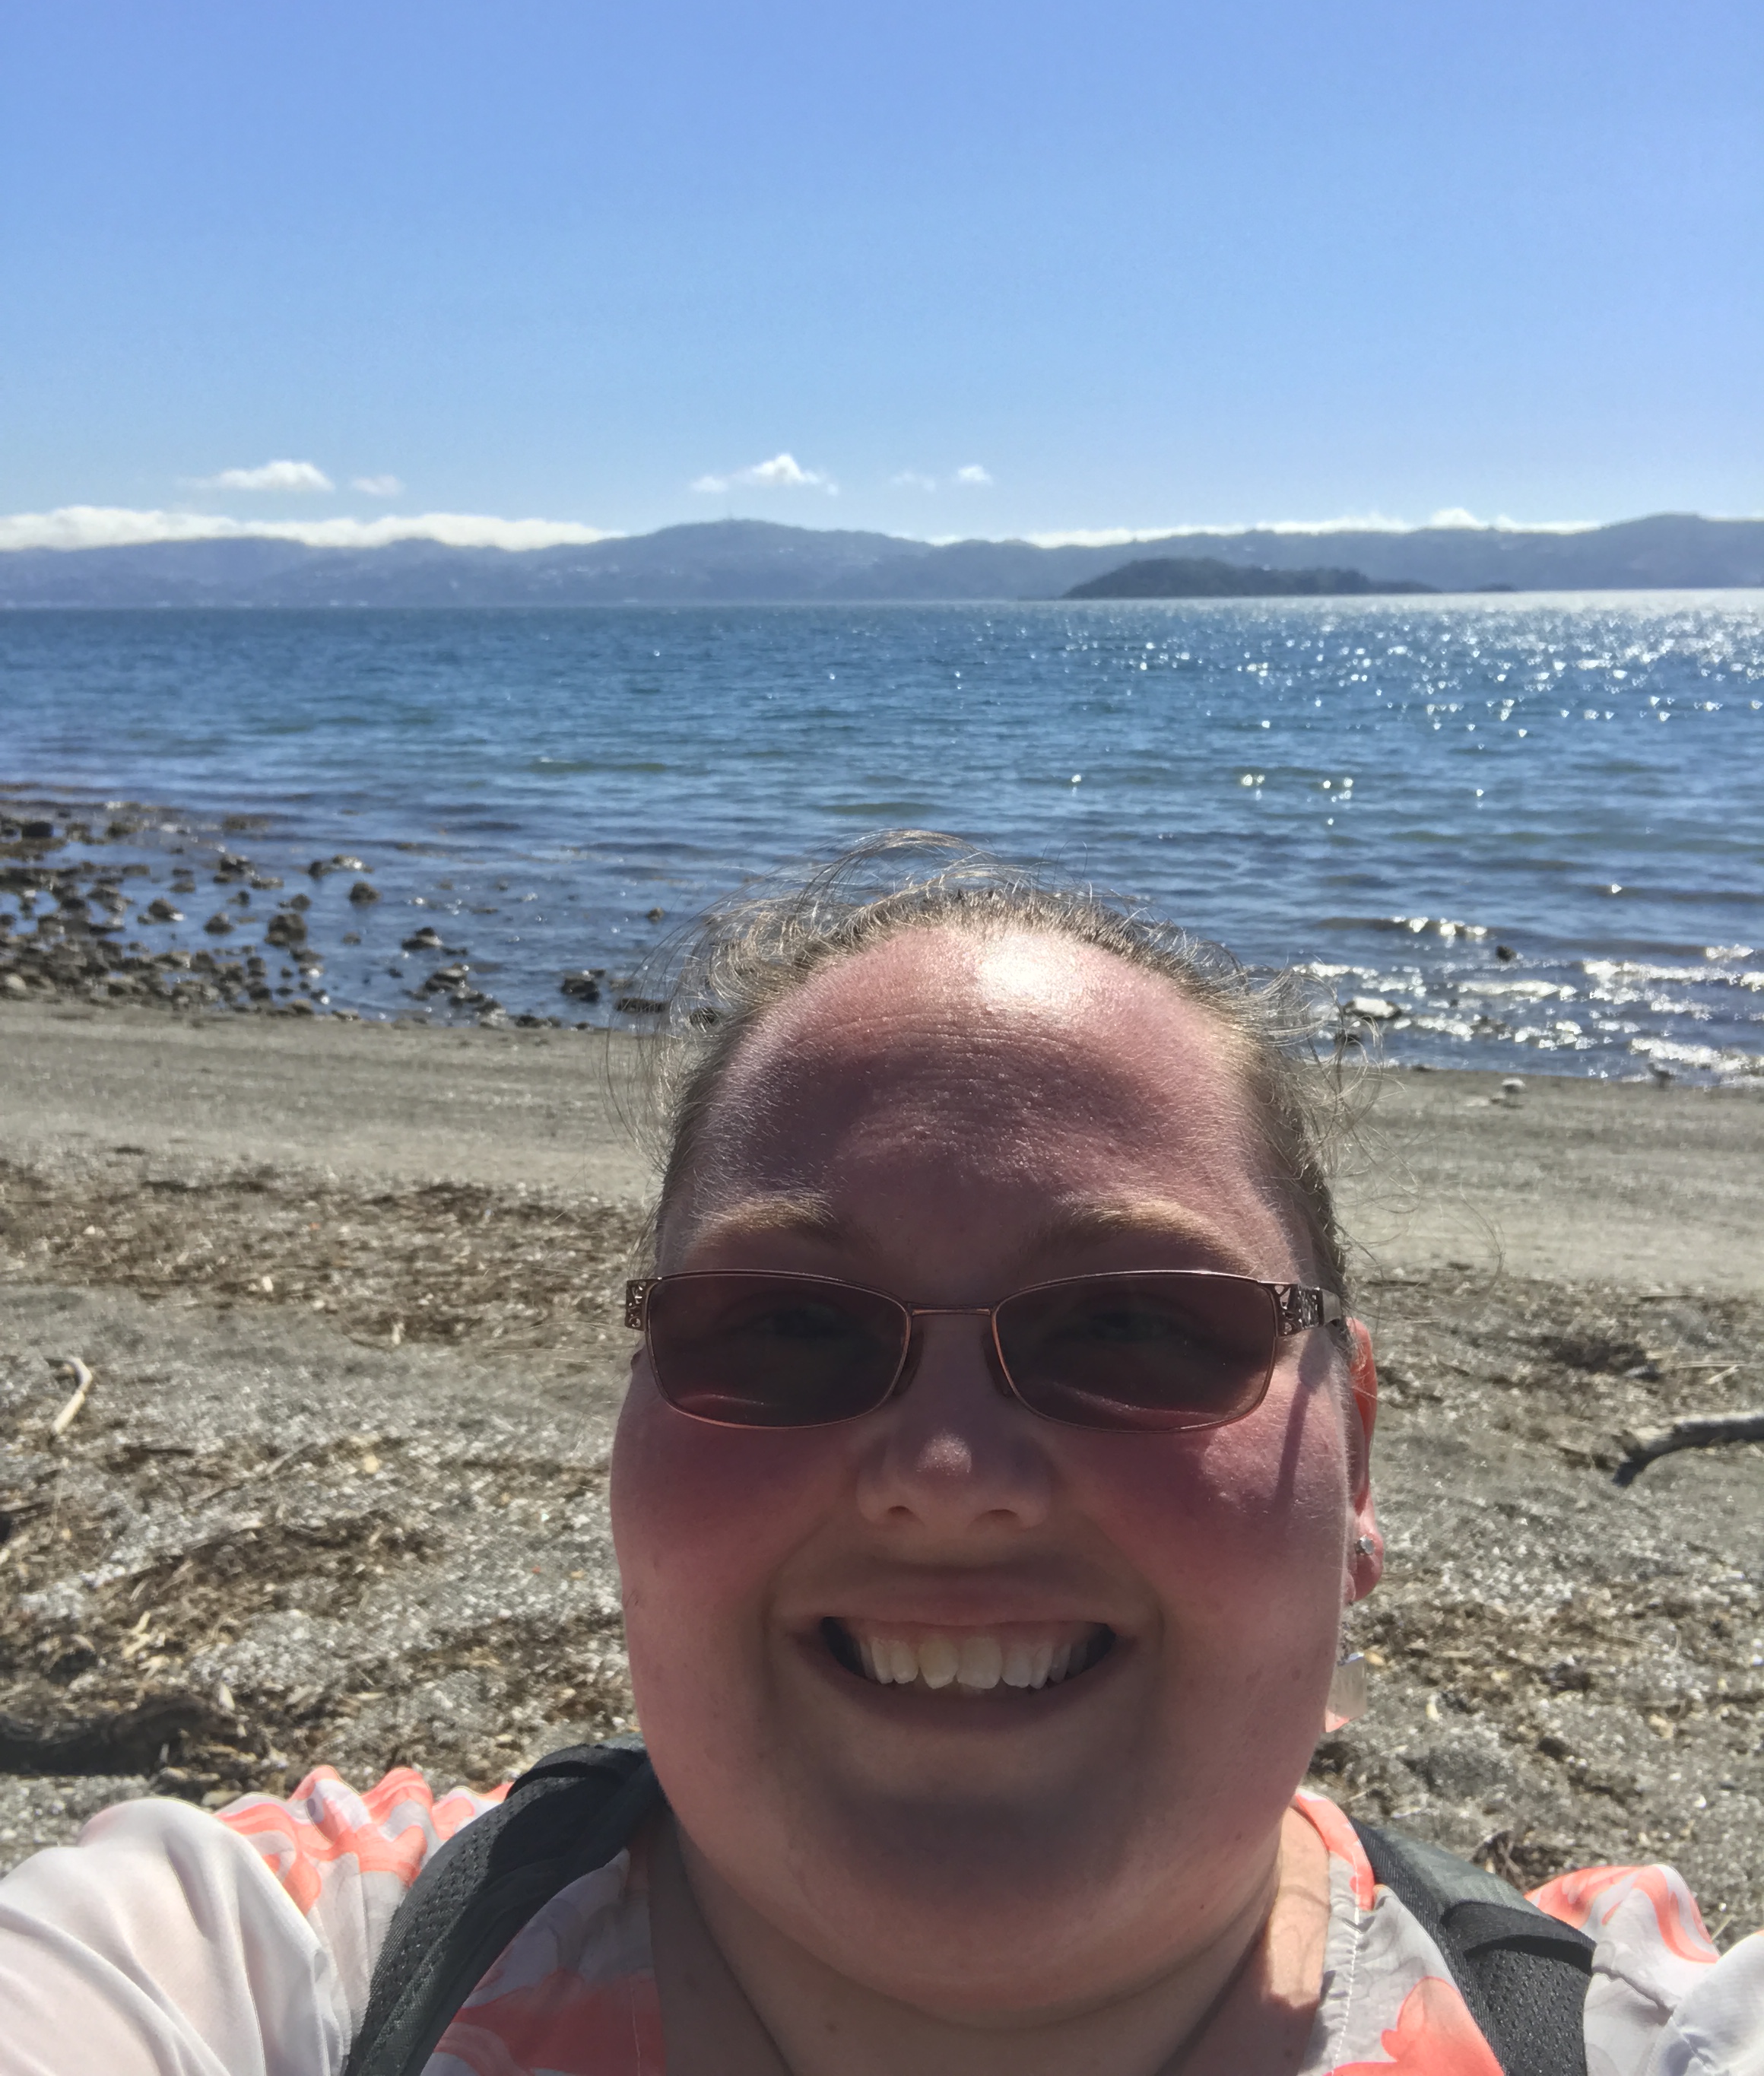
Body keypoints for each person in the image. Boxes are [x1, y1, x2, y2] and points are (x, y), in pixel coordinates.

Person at [0, 838, 1756, 2076]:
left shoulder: (1628, 2035)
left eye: (1131, 1323)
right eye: (783, 1325)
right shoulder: (290, 1970)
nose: (947, 1466)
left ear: (1350, 1453)